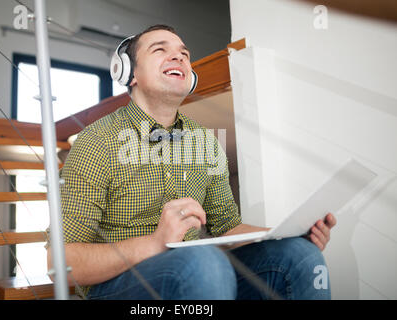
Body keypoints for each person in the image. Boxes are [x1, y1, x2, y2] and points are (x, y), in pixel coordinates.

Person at [46, 24, 337, 300]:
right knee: (204, 263)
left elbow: (227, 228)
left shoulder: (206, 141)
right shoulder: (97, 142)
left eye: (184, 54)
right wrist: (154, 243)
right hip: (117, 286)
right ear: (128, 73)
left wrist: (289, 233)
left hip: (200, 274)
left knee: (300, 256)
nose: (178, 56)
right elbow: (58, 263)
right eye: (160, 50)